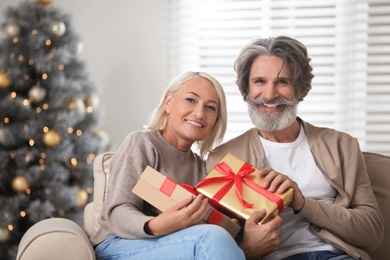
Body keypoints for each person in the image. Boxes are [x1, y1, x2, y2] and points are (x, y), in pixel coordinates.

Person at [206, 36, 384, 260]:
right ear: (246, 89)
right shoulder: (222, 159)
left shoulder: (342, 145)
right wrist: (246, 248)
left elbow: (373, 232)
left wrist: (301, 203)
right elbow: (216, 240)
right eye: (259, 81)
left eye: (282, 82)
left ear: (299, 88)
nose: (270, 95)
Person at [89, 71, 276, 260]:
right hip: (119, 243)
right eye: (191, 100)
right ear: (168, 102)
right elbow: (117, 212)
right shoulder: (142, 143)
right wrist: (158, 224)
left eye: (211, 108)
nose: (200, 113)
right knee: (212, 238)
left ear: (215, 121)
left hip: (177, 244)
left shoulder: (204, 170)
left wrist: (237, 233)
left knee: (216, 237)